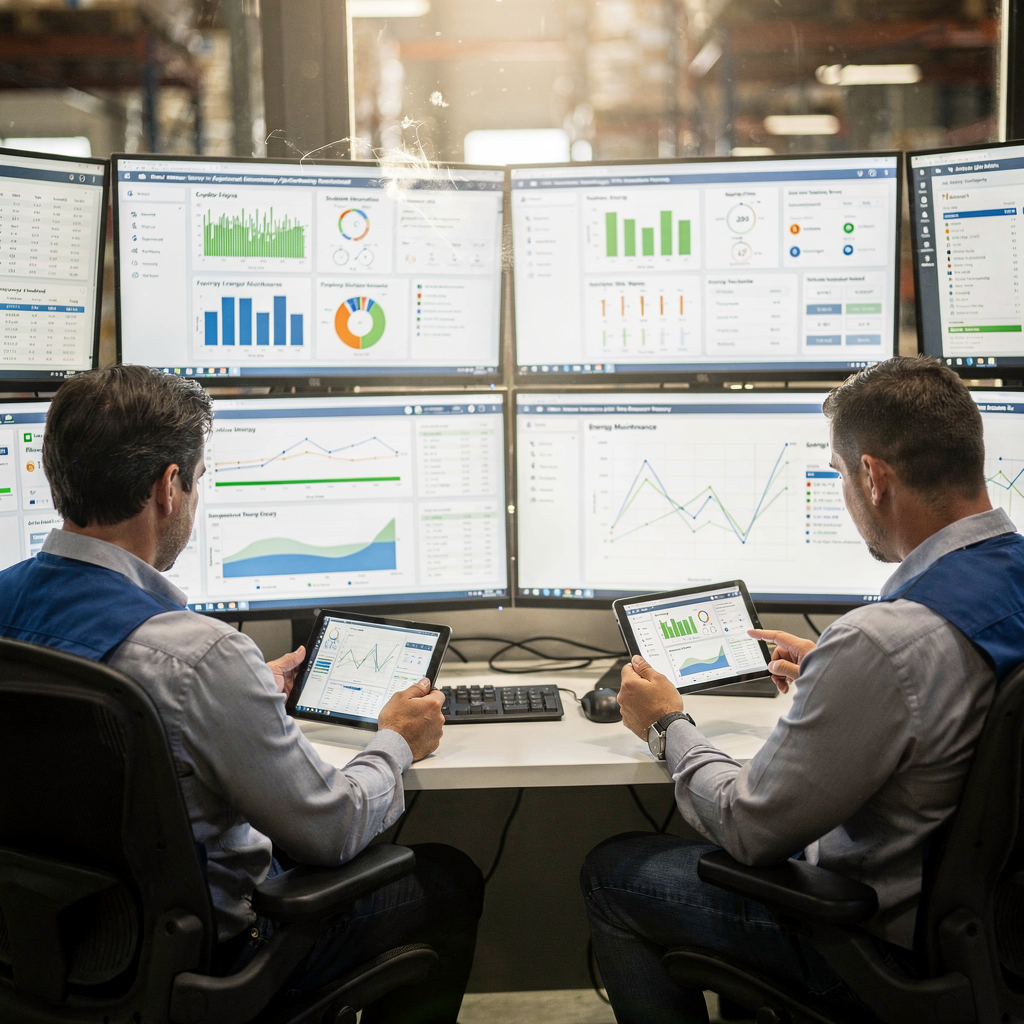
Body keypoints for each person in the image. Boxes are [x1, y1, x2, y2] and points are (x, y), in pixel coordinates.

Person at [0, 366, 482, 1024]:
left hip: (47, 943)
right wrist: (395, 740)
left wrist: (243, 693)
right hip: (213, 957)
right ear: (169, 487)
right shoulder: (202, 658)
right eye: (198, 482)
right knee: (448, 879)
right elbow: (332, 829)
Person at [581, 356, 1024, 1024]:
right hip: (1003, 938)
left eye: (839, 475)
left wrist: (665, 723)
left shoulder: (884, 644)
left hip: (883, 947)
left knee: (614, 872)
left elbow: (749, 827)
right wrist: (843, 674)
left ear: (873, 478)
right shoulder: (972, 604)